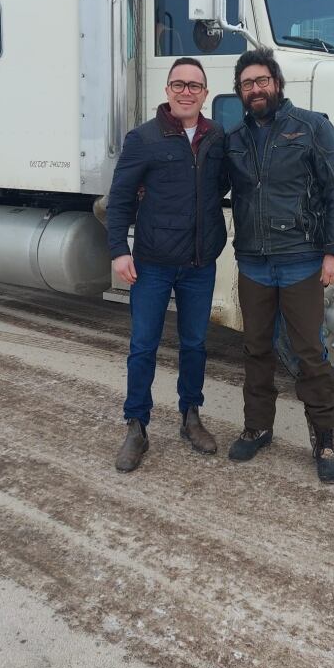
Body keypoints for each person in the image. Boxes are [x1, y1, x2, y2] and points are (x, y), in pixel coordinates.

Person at [224, 48, 334, 483]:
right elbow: (209, 186)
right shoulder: (235, 140)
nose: (255, 89)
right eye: (247, 84)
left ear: (277, 84)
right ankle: (258, 427)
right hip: (254, 263)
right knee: (256, 350)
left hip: (300, 260)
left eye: (262, 81)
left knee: (309, 355)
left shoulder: (312, 127)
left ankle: (325, 440)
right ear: (239, 92)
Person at [107, 58, 227, 472]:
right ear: (168, 90)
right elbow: (120, 196)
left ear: (205, 94)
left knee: (195, 345)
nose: (187, 92)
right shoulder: (143, 138)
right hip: (153, 264)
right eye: (179, 84)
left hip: (199, 264)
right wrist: (119, 250)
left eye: (195, 86)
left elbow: (220, 188)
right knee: (143, 346)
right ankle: (136, 425)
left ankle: (190, 417)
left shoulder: (216, 138)